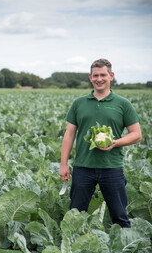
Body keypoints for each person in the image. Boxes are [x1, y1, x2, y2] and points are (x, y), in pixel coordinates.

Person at [59, 59, 142, 228]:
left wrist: (115, 142)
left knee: (120, 216)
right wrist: (63, 164)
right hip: (83, 167)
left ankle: (123, 251)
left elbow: (137, 135)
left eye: (103, 75)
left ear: (111, 76)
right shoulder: (79, 103)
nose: (99, 79)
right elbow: (69, 134)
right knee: (75, 215)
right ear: (90, 77)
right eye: (95, 75)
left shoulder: (123, 104)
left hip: (112, 167)